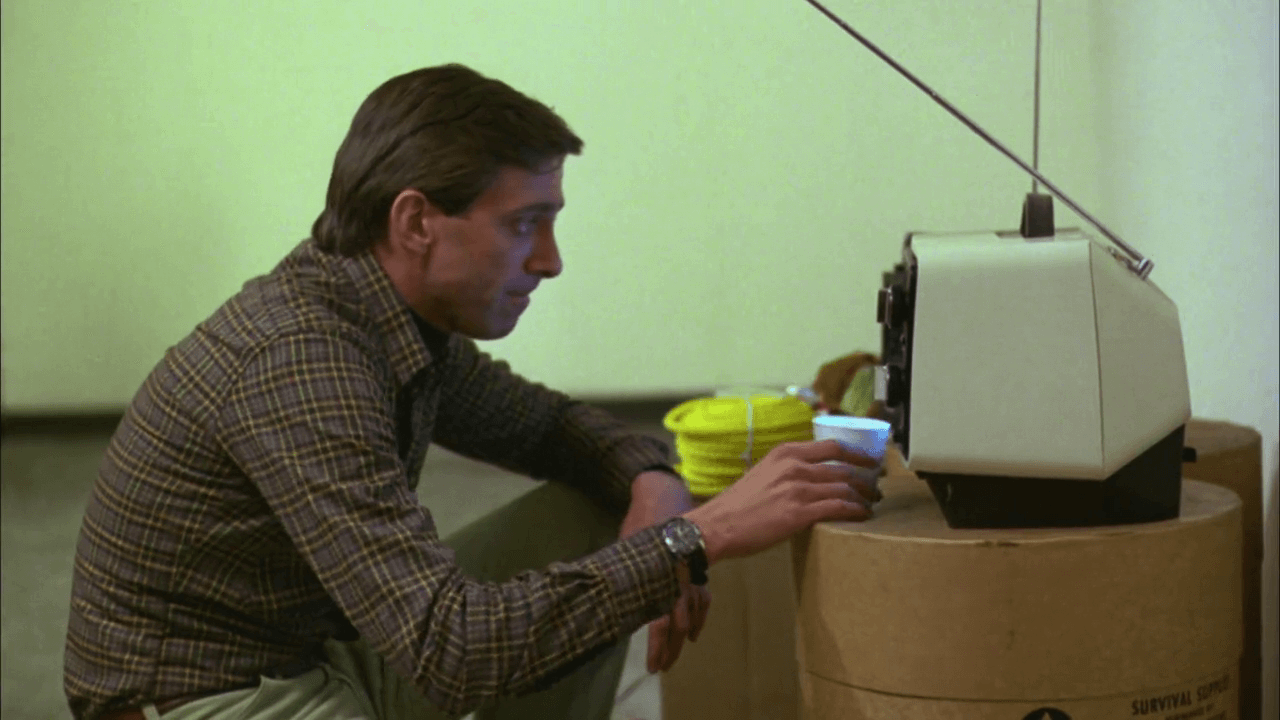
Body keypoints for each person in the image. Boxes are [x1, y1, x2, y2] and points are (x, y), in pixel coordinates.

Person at [63, 63, 880, 720]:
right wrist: (698, 537)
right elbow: (453, 652)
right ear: (416, 221)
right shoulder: (305, 364)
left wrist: (656, 485)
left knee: (593, 507)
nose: (550, 260)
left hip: (318, 653)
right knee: (586, 575)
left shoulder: (384, 316)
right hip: (209, 698)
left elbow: (555, 430)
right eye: (524, 223)